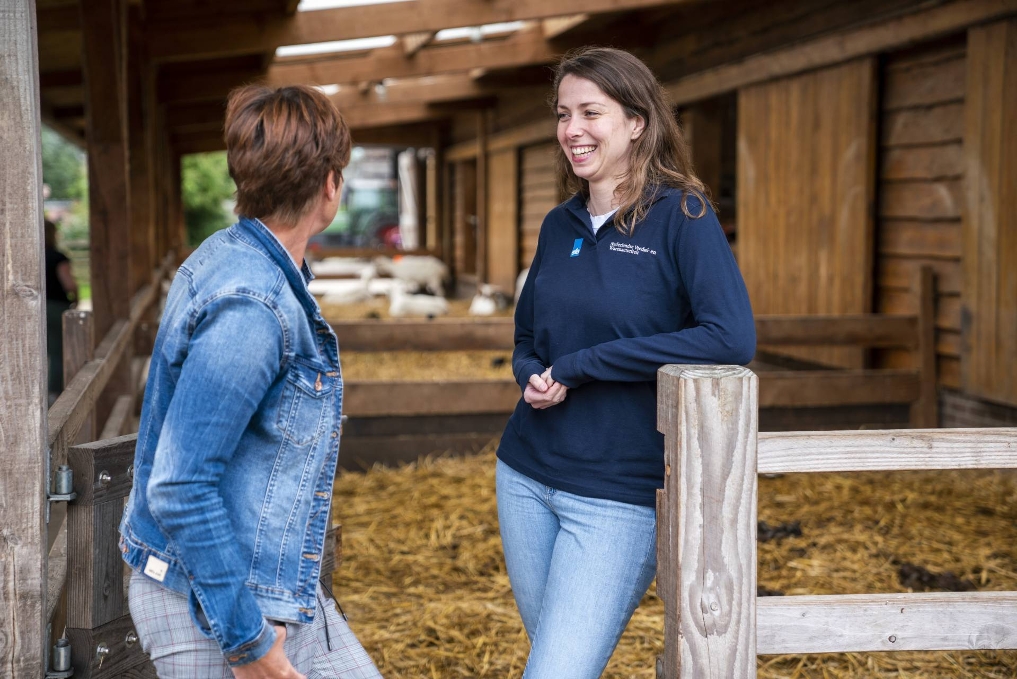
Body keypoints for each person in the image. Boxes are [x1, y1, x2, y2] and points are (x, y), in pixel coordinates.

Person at [496, 47, 756, 678]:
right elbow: (527, 335)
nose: (572, 130)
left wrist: (586, 365)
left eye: (591, 112)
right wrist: (529, 370)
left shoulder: (682, 217)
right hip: (525, 475)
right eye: (563, 115)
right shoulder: (559, 225)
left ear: (637, 121)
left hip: (617, 494)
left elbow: (730, 337)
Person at [119, 84, 381, 679]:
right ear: (329, 185)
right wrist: (249, 646)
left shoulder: (235, 256)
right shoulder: (253, 306)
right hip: (212, 600)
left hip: (256, 584)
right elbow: (181, 484)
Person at [44, 219, 78, 401]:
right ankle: (53, 394)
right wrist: (77, 297)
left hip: (35, 310)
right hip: (57, 307)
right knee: (57, 351)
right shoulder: (58, 257)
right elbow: (69, 284)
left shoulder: (29, 256)